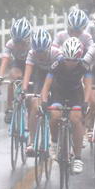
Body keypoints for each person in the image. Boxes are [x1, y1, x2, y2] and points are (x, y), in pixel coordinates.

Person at [39, 37, 92, 174]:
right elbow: (46, 85)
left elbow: (88, 86)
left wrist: (86, 102)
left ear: (79, 58)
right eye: (67, 59)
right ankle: (55, 141)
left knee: (76, 118)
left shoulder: (84, 65)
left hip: (76, 93)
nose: (70, 63)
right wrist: (44, 101)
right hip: (59, 92)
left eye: (73, 60)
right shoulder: (57, 64)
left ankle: (78, 158)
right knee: (55, 115)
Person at [22, 28, 61, 156]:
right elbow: (27, 74)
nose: (40, 55)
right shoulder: (32, 53)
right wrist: (24, 90)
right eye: (37, 52)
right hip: (41, 77)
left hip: (56, 79)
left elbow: (63, 75)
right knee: (34, 104)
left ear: (48, 48)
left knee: (56, 109)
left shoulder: (57, 53)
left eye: (43, 52)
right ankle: (32, 142)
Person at [0, 17, 32, 124]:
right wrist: (0, 76)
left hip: (32, 65)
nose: (19, 45)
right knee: (13, 76)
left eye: (22, 43)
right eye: (17, 42)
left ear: (28, 39)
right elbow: (5, 60)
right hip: (18, 63)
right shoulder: (10, 44)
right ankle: (9, 108)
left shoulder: (33, 45)